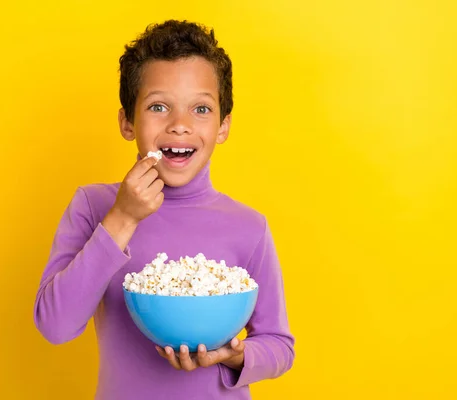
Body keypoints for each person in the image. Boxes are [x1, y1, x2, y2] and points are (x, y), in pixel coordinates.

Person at [34, 20, 295, 400]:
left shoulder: (249, 227)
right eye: (158, 106)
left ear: (223, 126)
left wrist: (235, 355)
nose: (180, 126)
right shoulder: (95, 207)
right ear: (127, 121)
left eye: (201, 109)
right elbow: (55, 325)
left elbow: (280, 346)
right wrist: (122, 218)